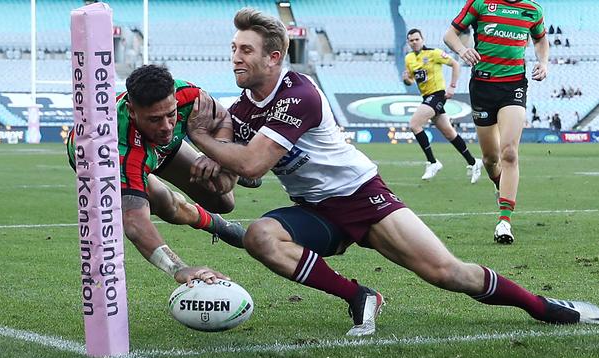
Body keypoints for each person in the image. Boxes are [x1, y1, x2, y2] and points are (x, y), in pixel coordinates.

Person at [186, 7, 599, 337]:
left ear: (273, 57)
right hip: (315, 209)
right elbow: (239, 183)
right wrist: (215, 162)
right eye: (234, 48)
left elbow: (254, 163)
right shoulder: (241, 110)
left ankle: (545, 307)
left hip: (363, 197)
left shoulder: (299, 92)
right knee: (261, 236)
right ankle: (359, 296)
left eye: (245, 50)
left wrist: (201, 138)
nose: (235, 57)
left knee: (448, 273)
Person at [68, 65, 246, 286]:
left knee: (223, 200)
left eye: (171, 114)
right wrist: (179, 269)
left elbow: (223, 120)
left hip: (158, 147)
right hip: (105, 158)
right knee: (166, 204)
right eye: (154, 119)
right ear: (132, 111)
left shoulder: (188, 96)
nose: (166, 126)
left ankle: (230, 185)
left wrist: (218, 151)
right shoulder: (119, 151)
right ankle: (213, 224)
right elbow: (135, 223)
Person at [444, 0, 550, 244]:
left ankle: (504, 222)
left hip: (514, 86)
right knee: (491, 159)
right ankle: (498, 185)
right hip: (482, 87)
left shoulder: (532, 9)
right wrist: (462, 50)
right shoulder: (480, 3)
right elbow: (449, 34)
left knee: (510, 153)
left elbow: (540, 39)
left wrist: (543, 62)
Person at [402, 28, 482, 182]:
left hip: (437, 95)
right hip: (427, 97)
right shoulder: (409, 58)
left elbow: (455, 64)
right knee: (449, 133)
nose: (414, 42)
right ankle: (474, 162)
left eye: (416, 39)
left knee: (414, 124)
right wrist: (406, 80)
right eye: (411, 40)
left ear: (422, 39)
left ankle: (432, 162)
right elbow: (411, 80)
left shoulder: (433, 53)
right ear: (408, 42)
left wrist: (452, 86)